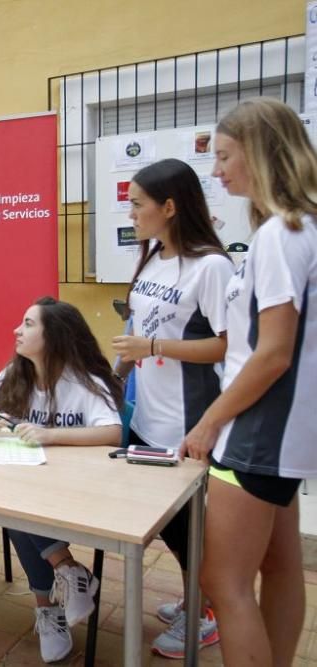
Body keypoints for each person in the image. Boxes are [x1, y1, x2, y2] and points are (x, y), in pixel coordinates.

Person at [182, 97, 317, 667]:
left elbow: (272, 355)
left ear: (260, 152)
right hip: (283, 432)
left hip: (257, 429)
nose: (217, 171)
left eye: (225, 156)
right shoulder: (299, 228)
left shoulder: (280, 236)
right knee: (280, 566)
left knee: (224, 581)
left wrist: (210, 423)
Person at [110, 158, 232, 659]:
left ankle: (206, 610)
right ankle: (195, 598)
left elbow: (228, 346)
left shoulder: (213, 267)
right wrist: (113, 378)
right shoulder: (154, 256)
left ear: (169, 206)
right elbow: (137, 334)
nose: (131, 213)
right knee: (162, 522)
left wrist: (155, 347)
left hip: (188, 422)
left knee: (189, 526)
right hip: (146, 416)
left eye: (138, 204)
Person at [0, 297, 123, 663]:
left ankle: (55, 600)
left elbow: (113, 433)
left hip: (80, 494)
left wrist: (50, 435)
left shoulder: (82, 381)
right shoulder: (13, 374)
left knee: (17, 506)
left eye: (28, 324)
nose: (17, 330)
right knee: (14, 504)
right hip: (28, 488)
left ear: (54, 337)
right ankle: (66, 572)